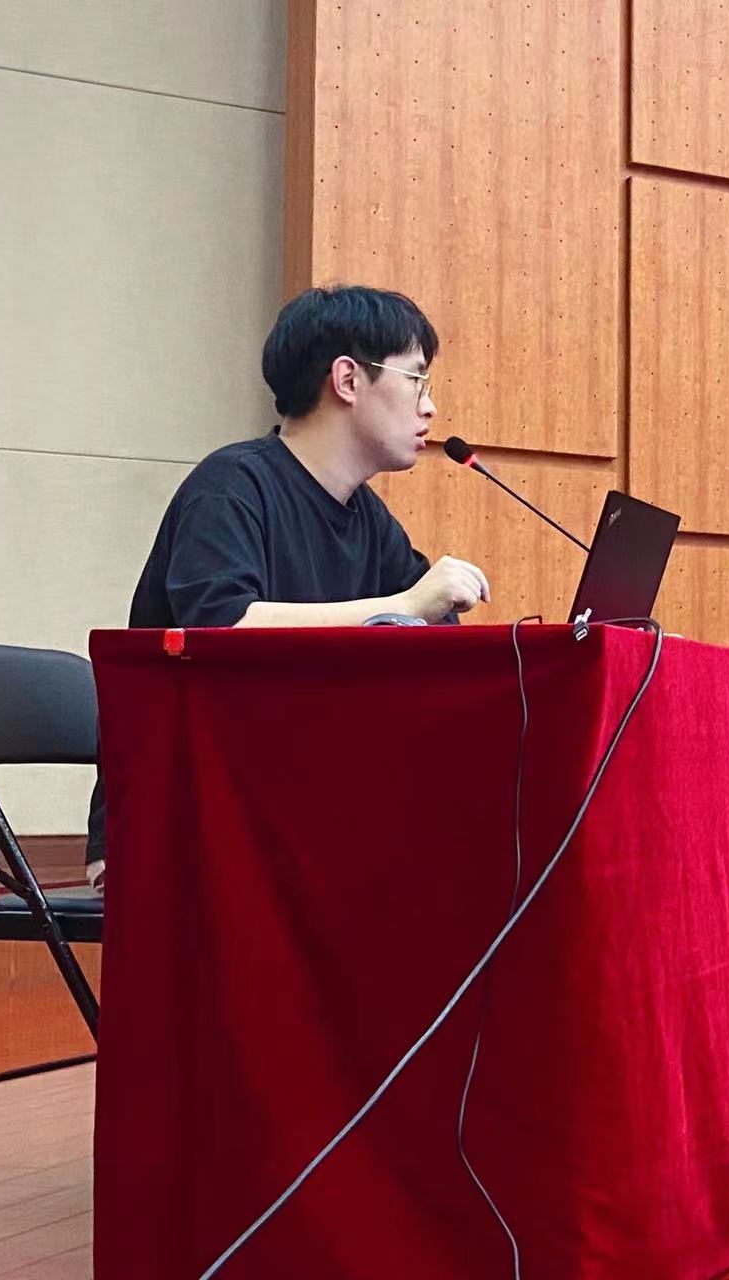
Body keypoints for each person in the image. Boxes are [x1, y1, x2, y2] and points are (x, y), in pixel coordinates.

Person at [84, 285, 488, 889]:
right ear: (347, 380)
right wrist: (402, 607)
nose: (430, 408)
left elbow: (437, 643)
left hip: (294, 808)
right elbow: (223, 629)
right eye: (417, 381)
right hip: (180, 815)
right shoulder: (230, 486)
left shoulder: (370, 519)